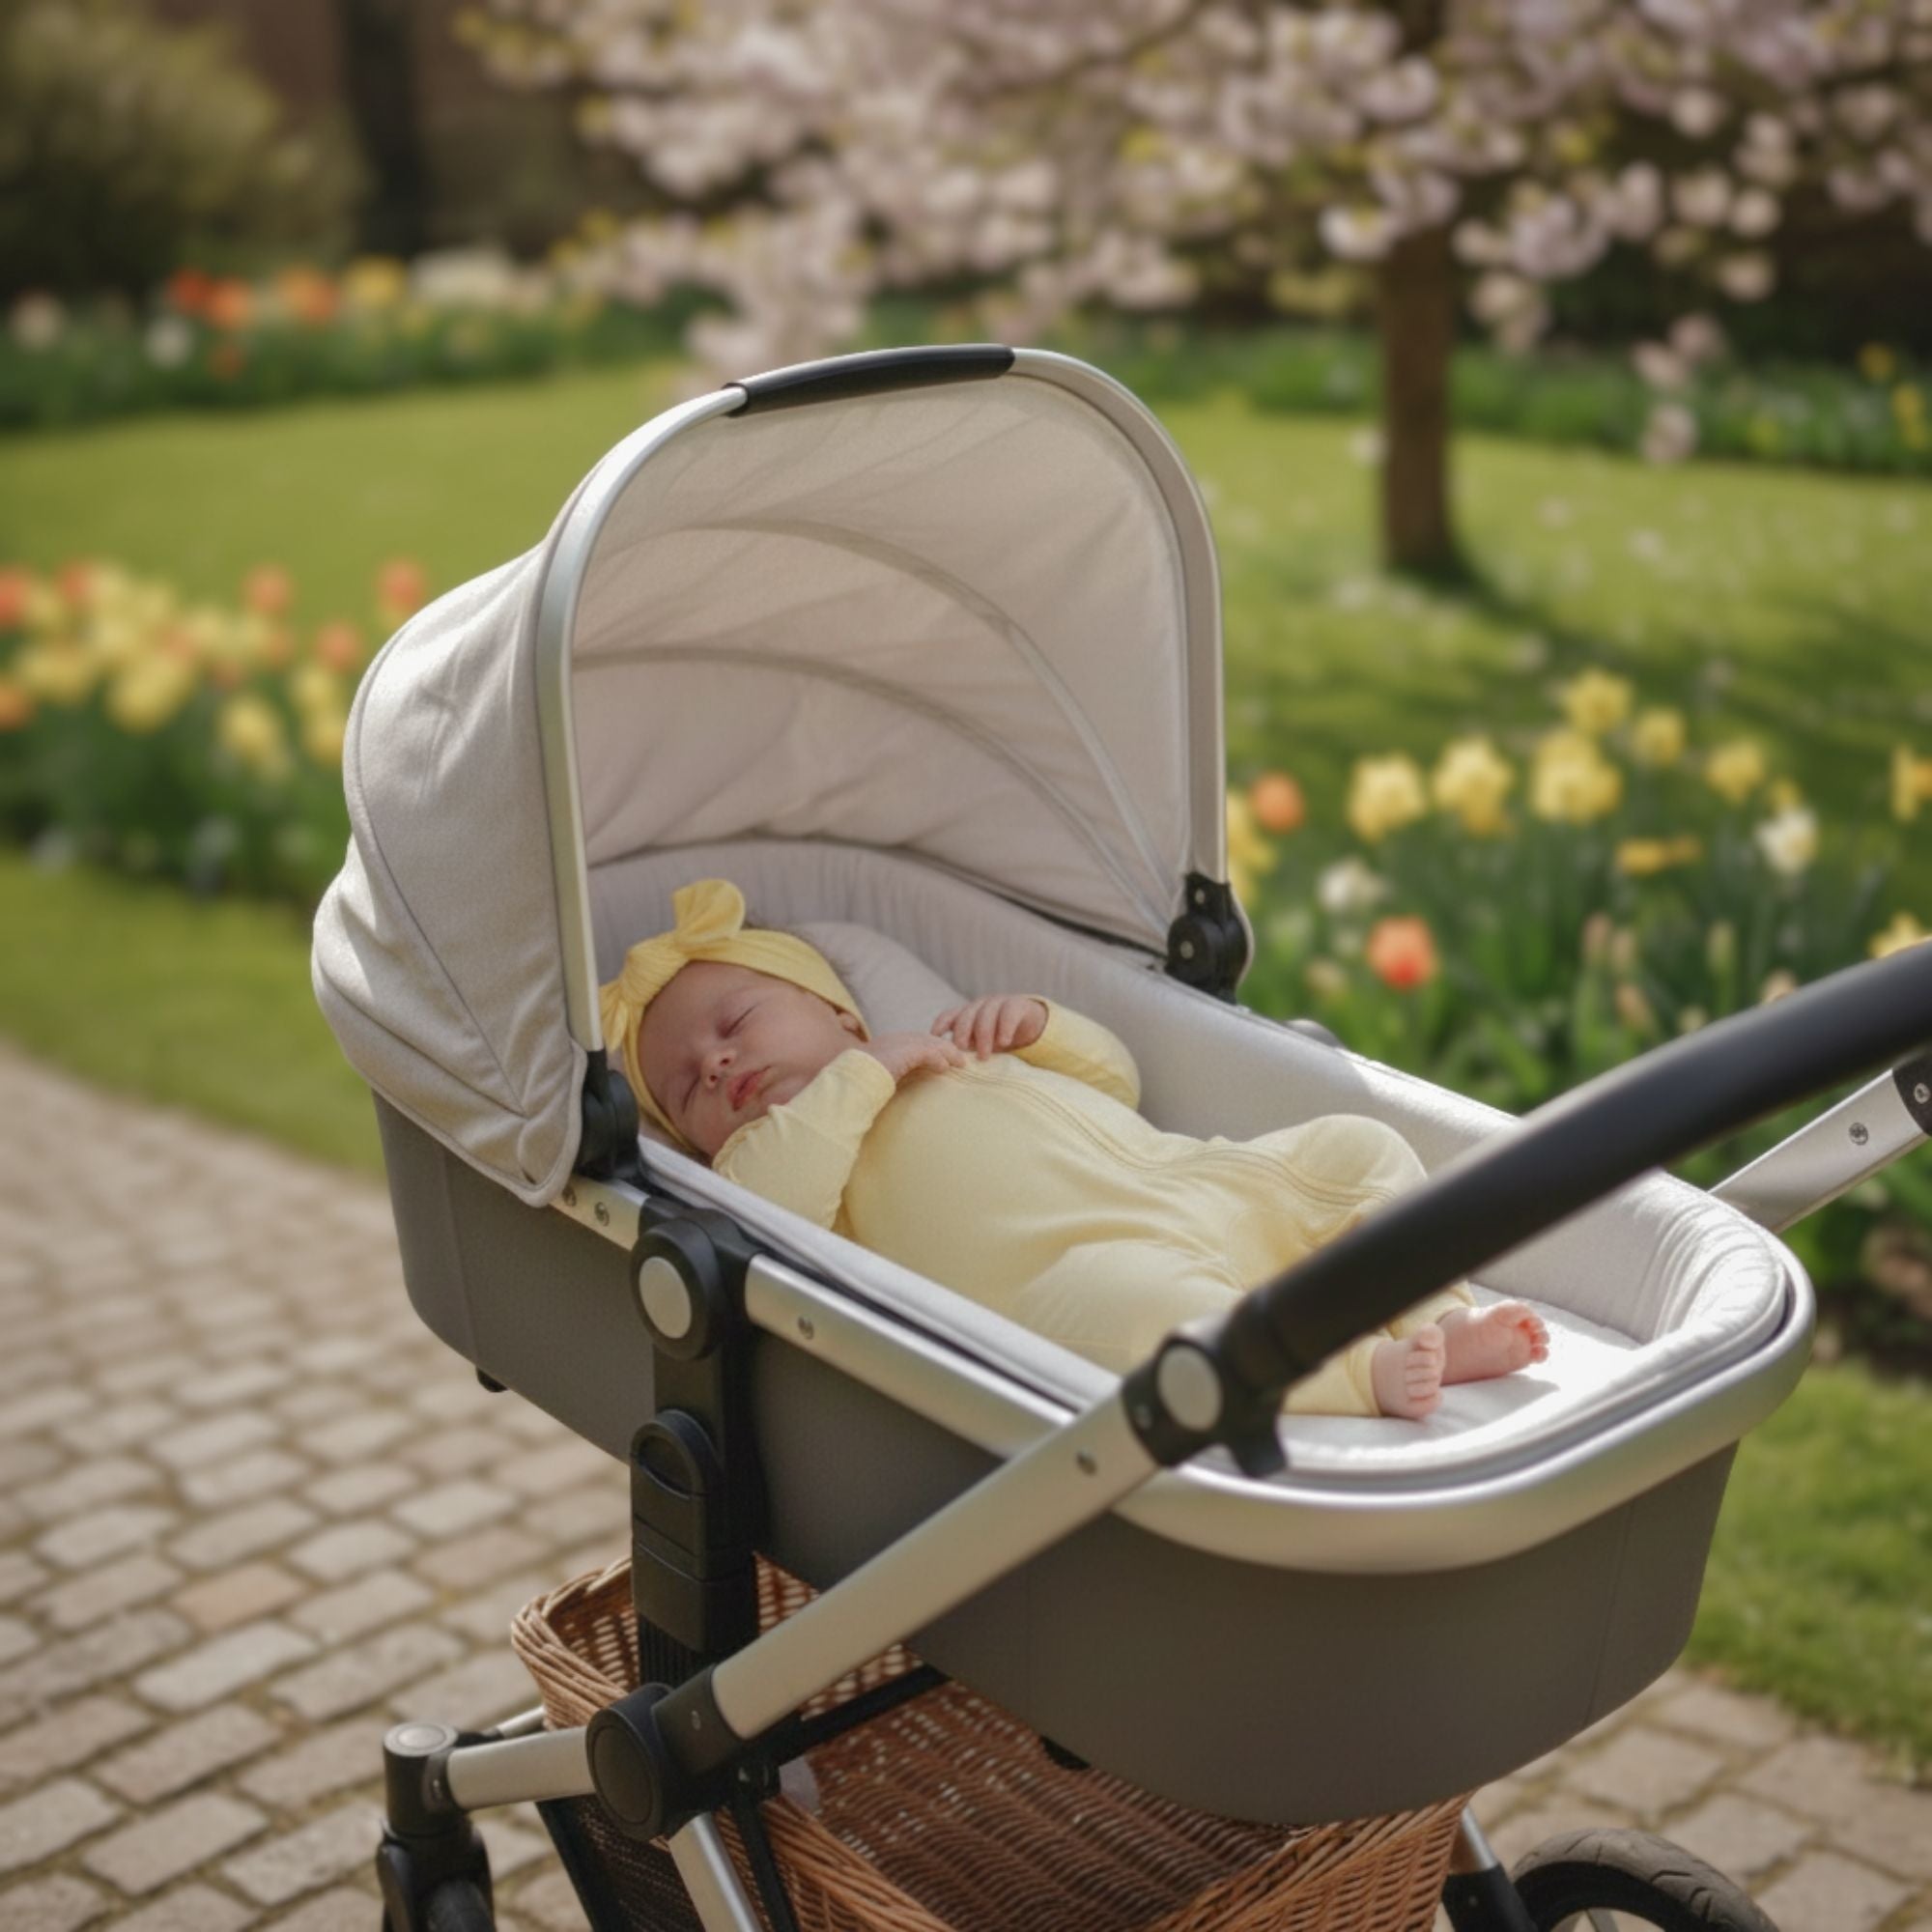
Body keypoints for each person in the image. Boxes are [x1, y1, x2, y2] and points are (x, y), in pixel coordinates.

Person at [601, 879, 1548, 1419]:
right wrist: (862, 1077)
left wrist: (1040, 1025)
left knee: (1357, 1145)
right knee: (1147, 1320)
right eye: (686, 1087)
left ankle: (1430, 1310)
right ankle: (1360, 1376)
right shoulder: (778, 1158)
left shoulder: (948, 1048)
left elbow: (1114, 1082)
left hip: (1199, 1182)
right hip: (1077, 1273)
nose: (717, 1060)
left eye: (735, 1020)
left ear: (835, 1010)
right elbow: (769, 1207)